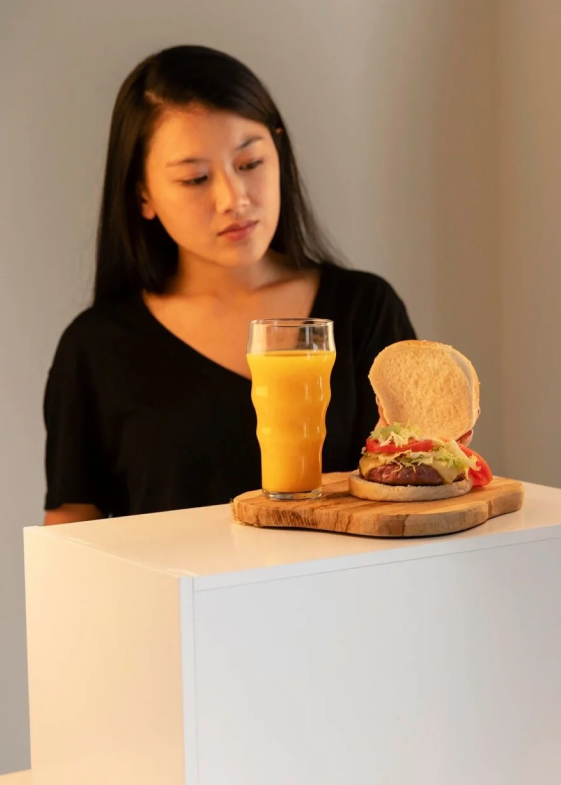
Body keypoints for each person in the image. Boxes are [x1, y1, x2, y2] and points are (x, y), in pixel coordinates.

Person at [44, 45, 415, 524]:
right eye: (195, 178)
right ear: (143, 195)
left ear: (278, 152)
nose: (233, 199)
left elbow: (423, 486)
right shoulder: (97, 348)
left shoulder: (364, 310)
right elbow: (71, 531)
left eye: (249, 164)